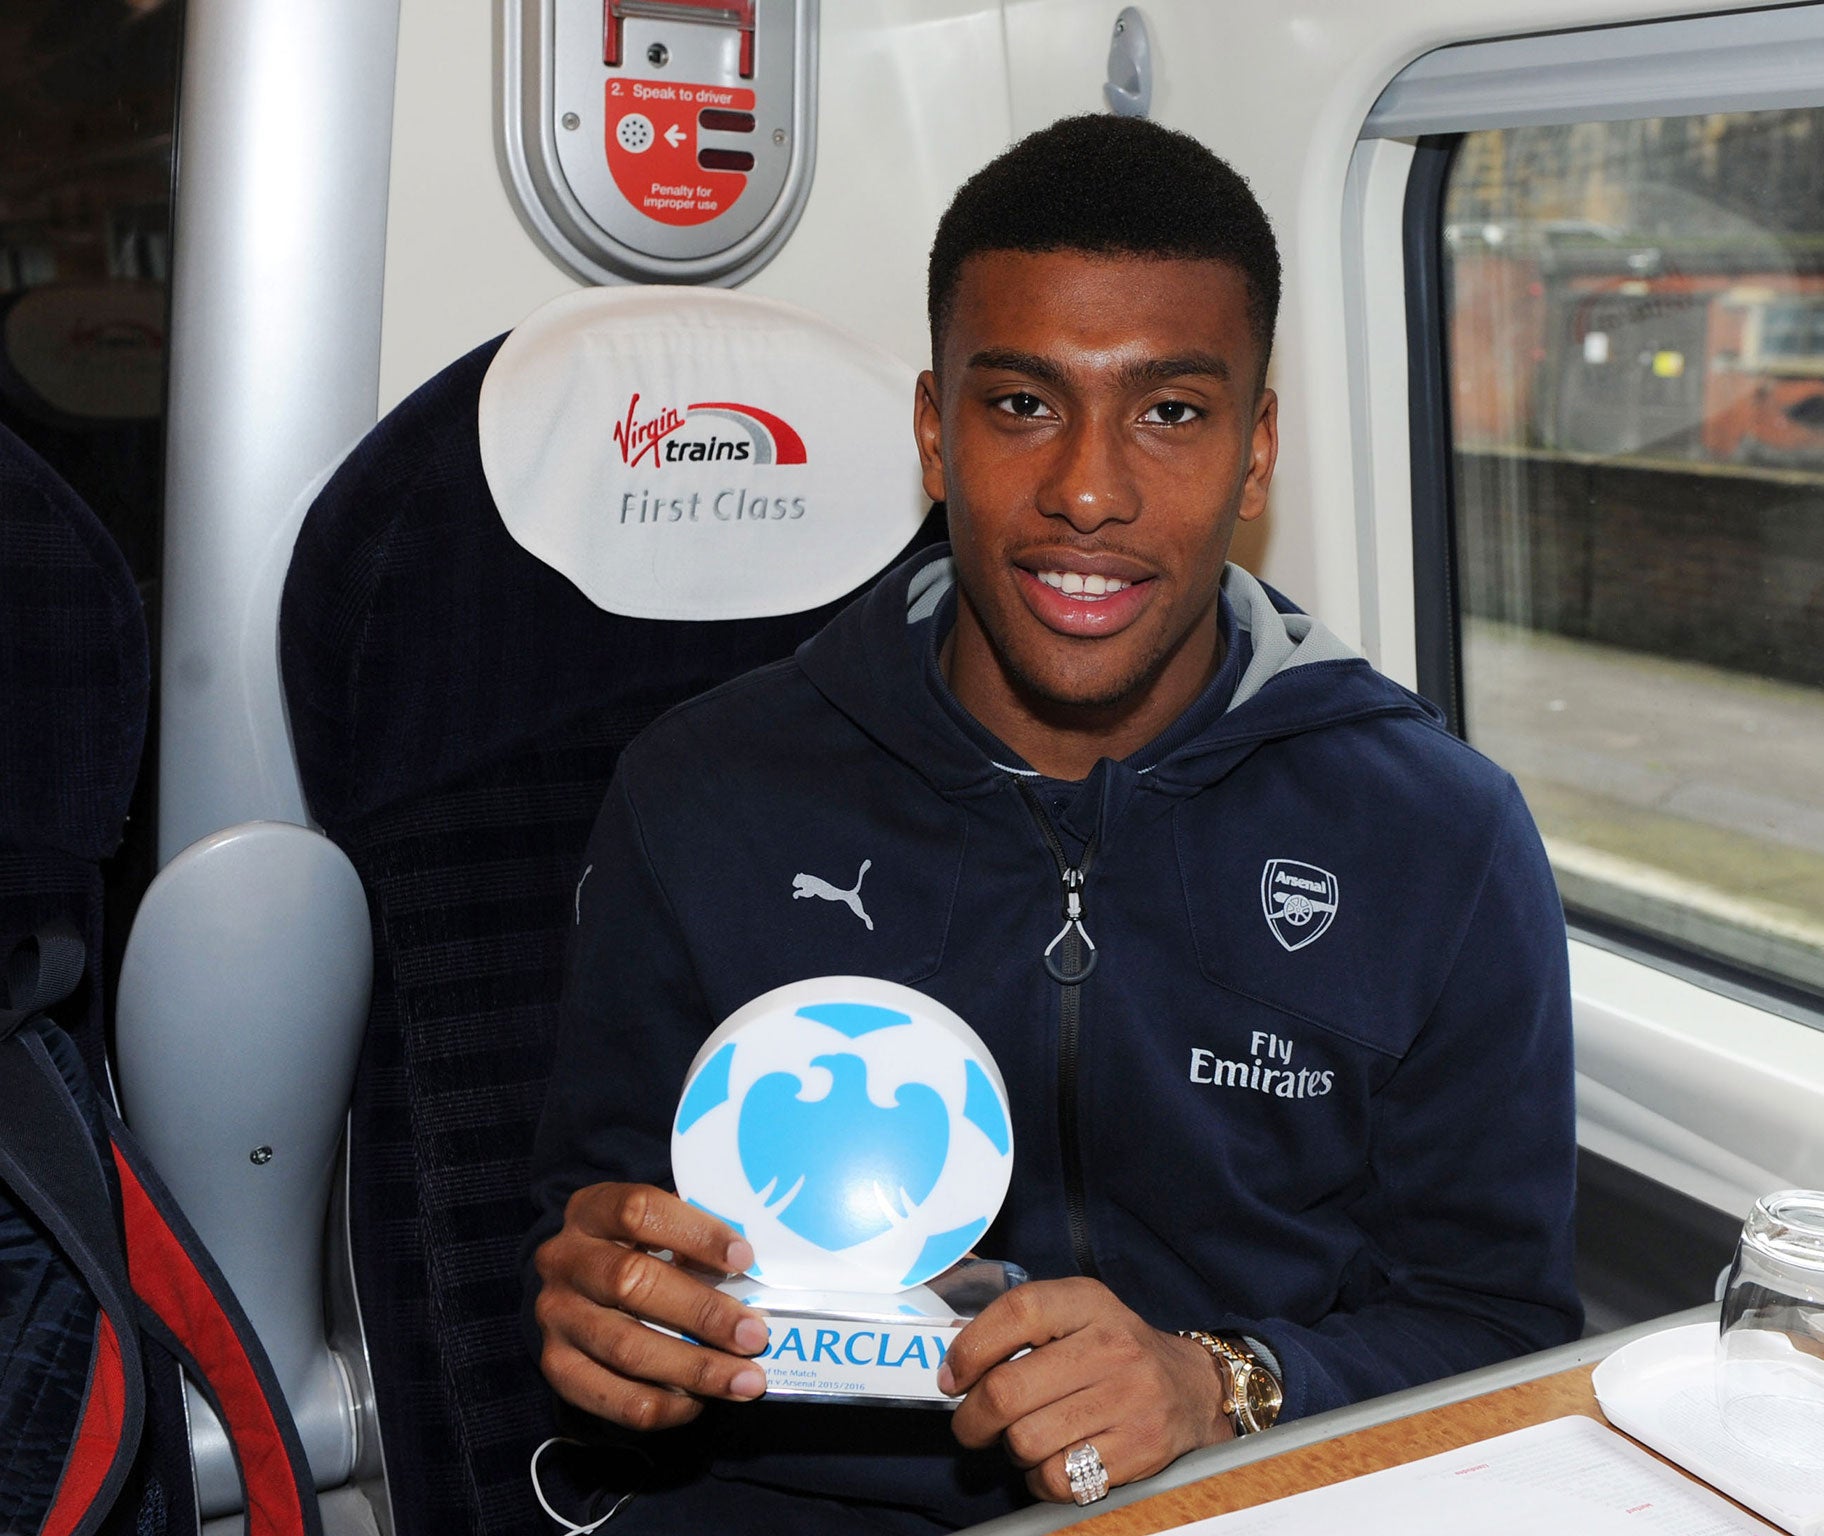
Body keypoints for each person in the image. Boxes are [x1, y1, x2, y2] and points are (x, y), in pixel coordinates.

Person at [524, 113, 1580, 1533]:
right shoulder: (702, 791)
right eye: (1021, 404)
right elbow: (592, 1227)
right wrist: (607, 1312)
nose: (1089, 490)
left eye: (1172, 411)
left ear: (1256, 452)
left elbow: (1499, 1325)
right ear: (934, 435)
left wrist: (1225, 1385)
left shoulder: (1437, 838)